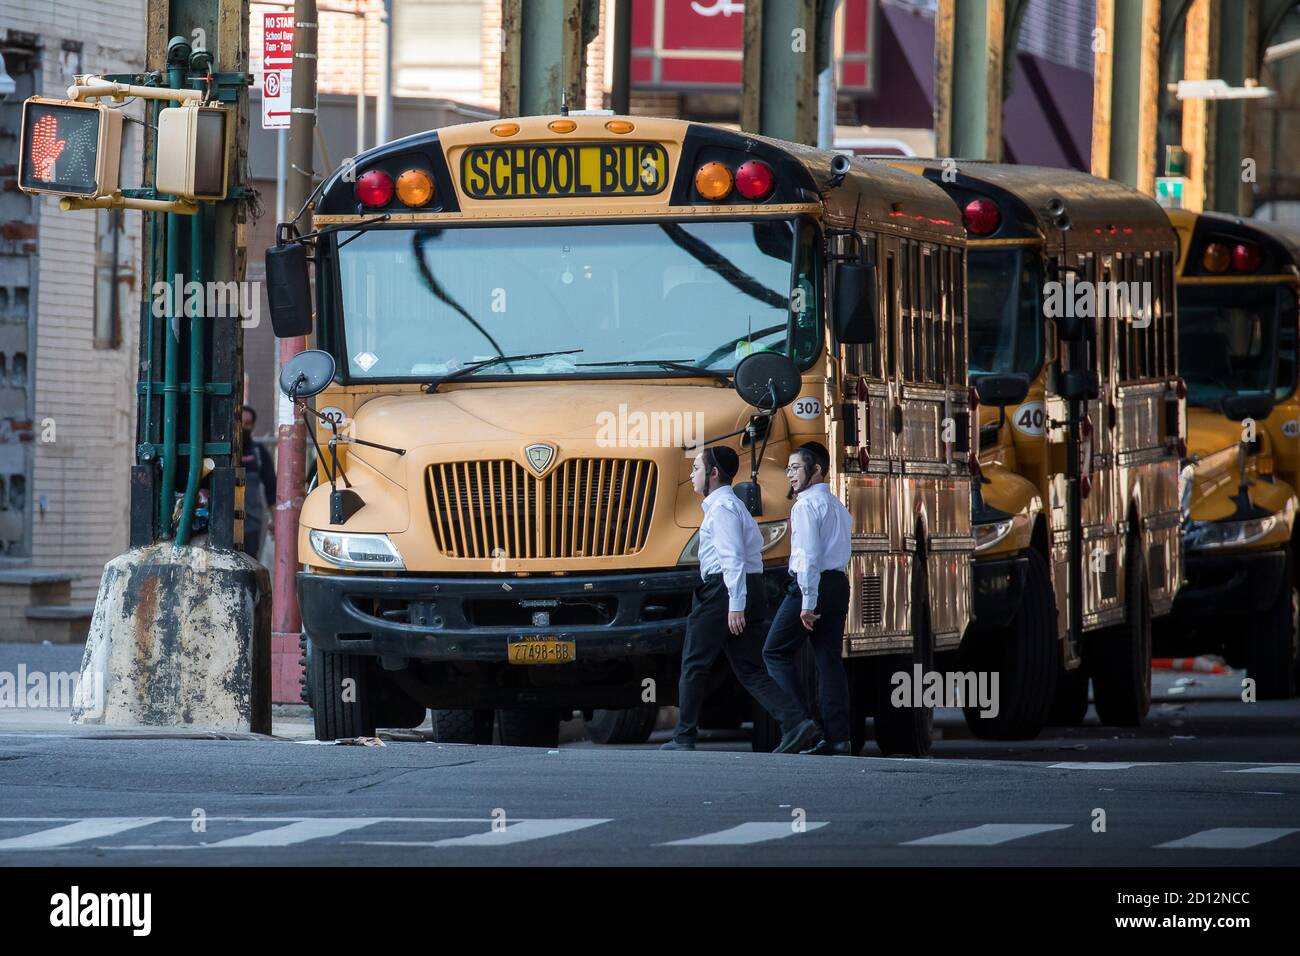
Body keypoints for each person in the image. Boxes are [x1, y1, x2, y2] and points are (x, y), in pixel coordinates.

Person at [662, 445, 821, 753]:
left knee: (694, 663)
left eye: (696, 469)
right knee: (749, 668)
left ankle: (684, 736)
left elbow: (731, 559)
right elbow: (750, 551)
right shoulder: (733, 507)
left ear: (713, 474)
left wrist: (735, 605)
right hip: (745, 587)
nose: (691, 475)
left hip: (724, 590)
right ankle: (795, 722)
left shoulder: (722, 510)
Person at [763, 441, 854, 755]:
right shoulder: (838, 507)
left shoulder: (804, 506)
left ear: (816, 470)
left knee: (773, 652)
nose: (790, 474)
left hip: (810, 585)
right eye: (788, 468)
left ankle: (798, 722)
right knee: (829, 660)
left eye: (796, 468)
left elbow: (809, 557)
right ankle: (838, 738)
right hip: (839, 584)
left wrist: (807, 602)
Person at [241, 405, 277, 559]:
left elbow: (271, 488)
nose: (243, 427)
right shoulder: (221, 451)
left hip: (251, 524)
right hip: (221, 524)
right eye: (240, 422)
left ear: (253, 425)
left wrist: (275, 519)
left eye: (248, 423)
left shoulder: (258, 452)